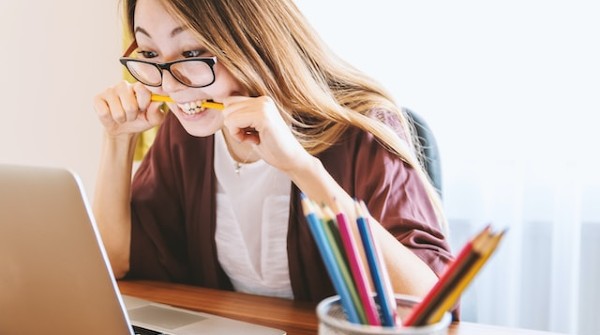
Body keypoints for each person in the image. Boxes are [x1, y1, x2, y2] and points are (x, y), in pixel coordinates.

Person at [93, 0, 454, 305]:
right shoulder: (186, 133)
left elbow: (426, 304)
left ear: (254, 42)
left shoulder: (362, 129)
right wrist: (118, 140)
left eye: (192, 53)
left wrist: (300, 167)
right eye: (151, 54)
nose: (170, 85)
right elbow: (114, 261)